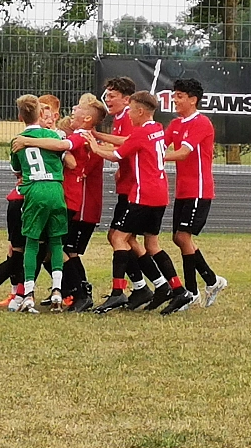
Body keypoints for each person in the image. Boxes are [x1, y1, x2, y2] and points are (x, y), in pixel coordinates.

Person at [87, 91, 189, 313]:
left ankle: (117, 292)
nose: (129, 115)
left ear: (140, 111)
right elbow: (129, 143)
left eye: (131, 111)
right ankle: (178, 290)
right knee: (152, 245)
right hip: (160, 193)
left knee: (119, 238)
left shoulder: (141, 133)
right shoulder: (157, 129)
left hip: (144, 195)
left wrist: (94, 147)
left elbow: (116, 155)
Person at [11, 93, 109, 312]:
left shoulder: (80, 135)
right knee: (53, 248)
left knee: (53, 248)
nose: (73, 109)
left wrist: (28, 141)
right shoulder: (77, 133)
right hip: (61, 195)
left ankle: (78, 293)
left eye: (78, 108)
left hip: (67, 197)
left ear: (87, 118)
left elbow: (65, 150)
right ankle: (67, 290)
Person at [162, 78, 226, 312]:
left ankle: (191, 292)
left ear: (193, 99)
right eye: (174, 95)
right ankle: (211, 280)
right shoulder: (175, 124)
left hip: (199, 190)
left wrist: (156, 158)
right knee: (178, 238)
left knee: (183, 237)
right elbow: (160, 144)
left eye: (179, 96)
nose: (175, 100)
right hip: (182, 190)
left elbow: (182, 153)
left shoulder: (201, 123)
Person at [92, 76, 150, 306]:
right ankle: (144, 287)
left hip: (134, 188)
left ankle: (154, 286)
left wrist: (95, 137)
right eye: (106, 95)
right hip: (128, 185)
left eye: (112, 95)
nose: (108, 99)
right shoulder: (120, 117)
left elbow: (127, 142)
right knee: (126, 239)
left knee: (120, 237)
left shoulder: (128, 116)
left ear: (127, 100)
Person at [8, 94, 69, 313]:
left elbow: (16, 170)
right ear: (40, 114)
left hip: (35, 190)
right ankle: (57, 290)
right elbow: (65, 152)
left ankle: (28, 294)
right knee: (56, 241)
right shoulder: (52, 135)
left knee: (31, 242)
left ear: (20, 117)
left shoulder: (17, 140)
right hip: (56, 188)